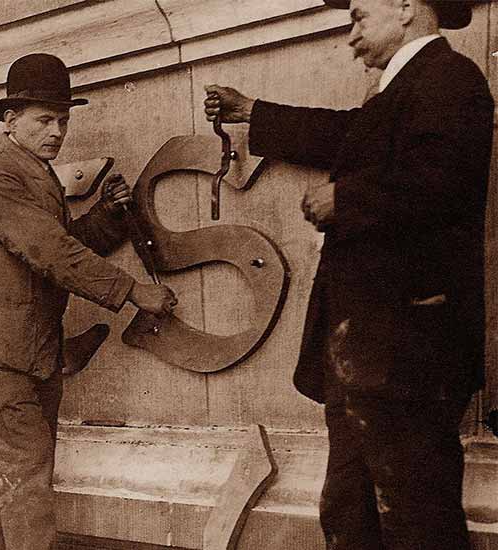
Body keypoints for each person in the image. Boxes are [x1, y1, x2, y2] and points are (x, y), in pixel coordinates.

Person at [204, 1, 493, 548]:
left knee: (414, 517)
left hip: (406, 351)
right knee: (352, 510)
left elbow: (444, 178)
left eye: (359, 16)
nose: (350, 34)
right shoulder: (408, 88)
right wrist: (253, 112)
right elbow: (346, 135)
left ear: (406, 7)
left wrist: (347, 197)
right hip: (373, 352)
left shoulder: (451, 78)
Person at [0, 53, 177, 550]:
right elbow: (48, 250)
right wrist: (133, 290)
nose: (57, 132)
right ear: (10, 120)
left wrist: (107, 217)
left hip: (25, 351)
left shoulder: (33, 170)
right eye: (44, 120)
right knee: (25, 473)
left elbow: (56, 242)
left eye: (64, 120)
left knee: (14, 474)